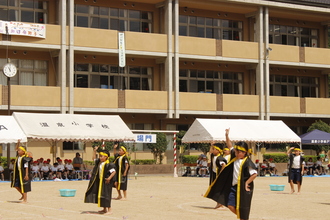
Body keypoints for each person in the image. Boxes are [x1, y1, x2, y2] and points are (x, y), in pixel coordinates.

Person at [204, 129, 257, 220]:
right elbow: (229, 145)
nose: (236, 153)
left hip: (242, 188)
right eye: (235, 151)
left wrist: (247, 183)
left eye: (238, 152)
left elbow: (254, 174)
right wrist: (227, 136)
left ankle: (243, 218)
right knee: (230, 205)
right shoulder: (235, 158)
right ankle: (242, 218)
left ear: (244, 152)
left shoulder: (247, 162)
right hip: (233, 187)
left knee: (243, 207)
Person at [85, 146, 116, 215]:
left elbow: (114, 172)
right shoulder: (99, 163)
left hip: (106, 182)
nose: (100, 157)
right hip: (100, 181)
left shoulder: (109, 164)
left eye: (102, 156)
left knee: (106, 195)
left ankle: (110, 209)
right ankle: (104, 209)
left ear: (106, 157)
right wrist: (94, 151)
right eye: (100, 156)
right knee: (101, 194)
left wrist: (109, 178)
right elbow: (93, 159)